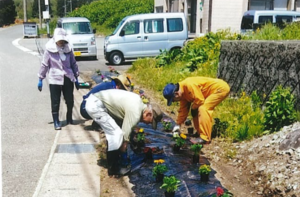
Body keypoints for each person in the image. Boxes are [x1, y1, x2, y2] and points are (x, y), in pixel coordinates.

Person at [84, 89, 163, 176]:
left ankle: (114, 161)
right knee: (116, 134)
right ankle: (113, 169)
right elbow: (124, 138)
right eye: (150, 122)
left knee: (115, 132)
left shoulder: (139, 104)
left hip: (97, 102)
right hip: (96, 106)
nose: (148, 124)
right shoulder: (135, 113)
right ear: (148, 114)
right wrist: (124, 158)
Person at [163, 77, 230, 144]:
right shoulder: (182, 95)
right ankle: (199, 132)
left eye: (173, 100)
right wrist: (178, 124)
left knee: (203, 108)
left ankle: (205, 138)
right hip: (211, 92)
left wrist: (193, 108)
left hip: (220, 89)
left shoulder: (189, 85)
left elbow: (200, 100)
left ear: (176, 94)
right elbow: (183, 110)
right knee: (195, 109)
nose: (174, 101)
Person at [37, 28, 80, 130]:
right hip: (54, 78)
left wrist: (76, 77)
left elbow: (73, 64)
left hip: (68, 77)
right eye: (59, 40)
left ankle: (69, 117)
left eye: (63, 40)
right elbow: (45, 64)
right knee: (55, 101)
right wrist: (40, 78)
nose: (61, 42)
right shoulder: (49, 49)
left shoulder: (68, 49)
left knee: (70, 100)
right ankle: (56, 121)